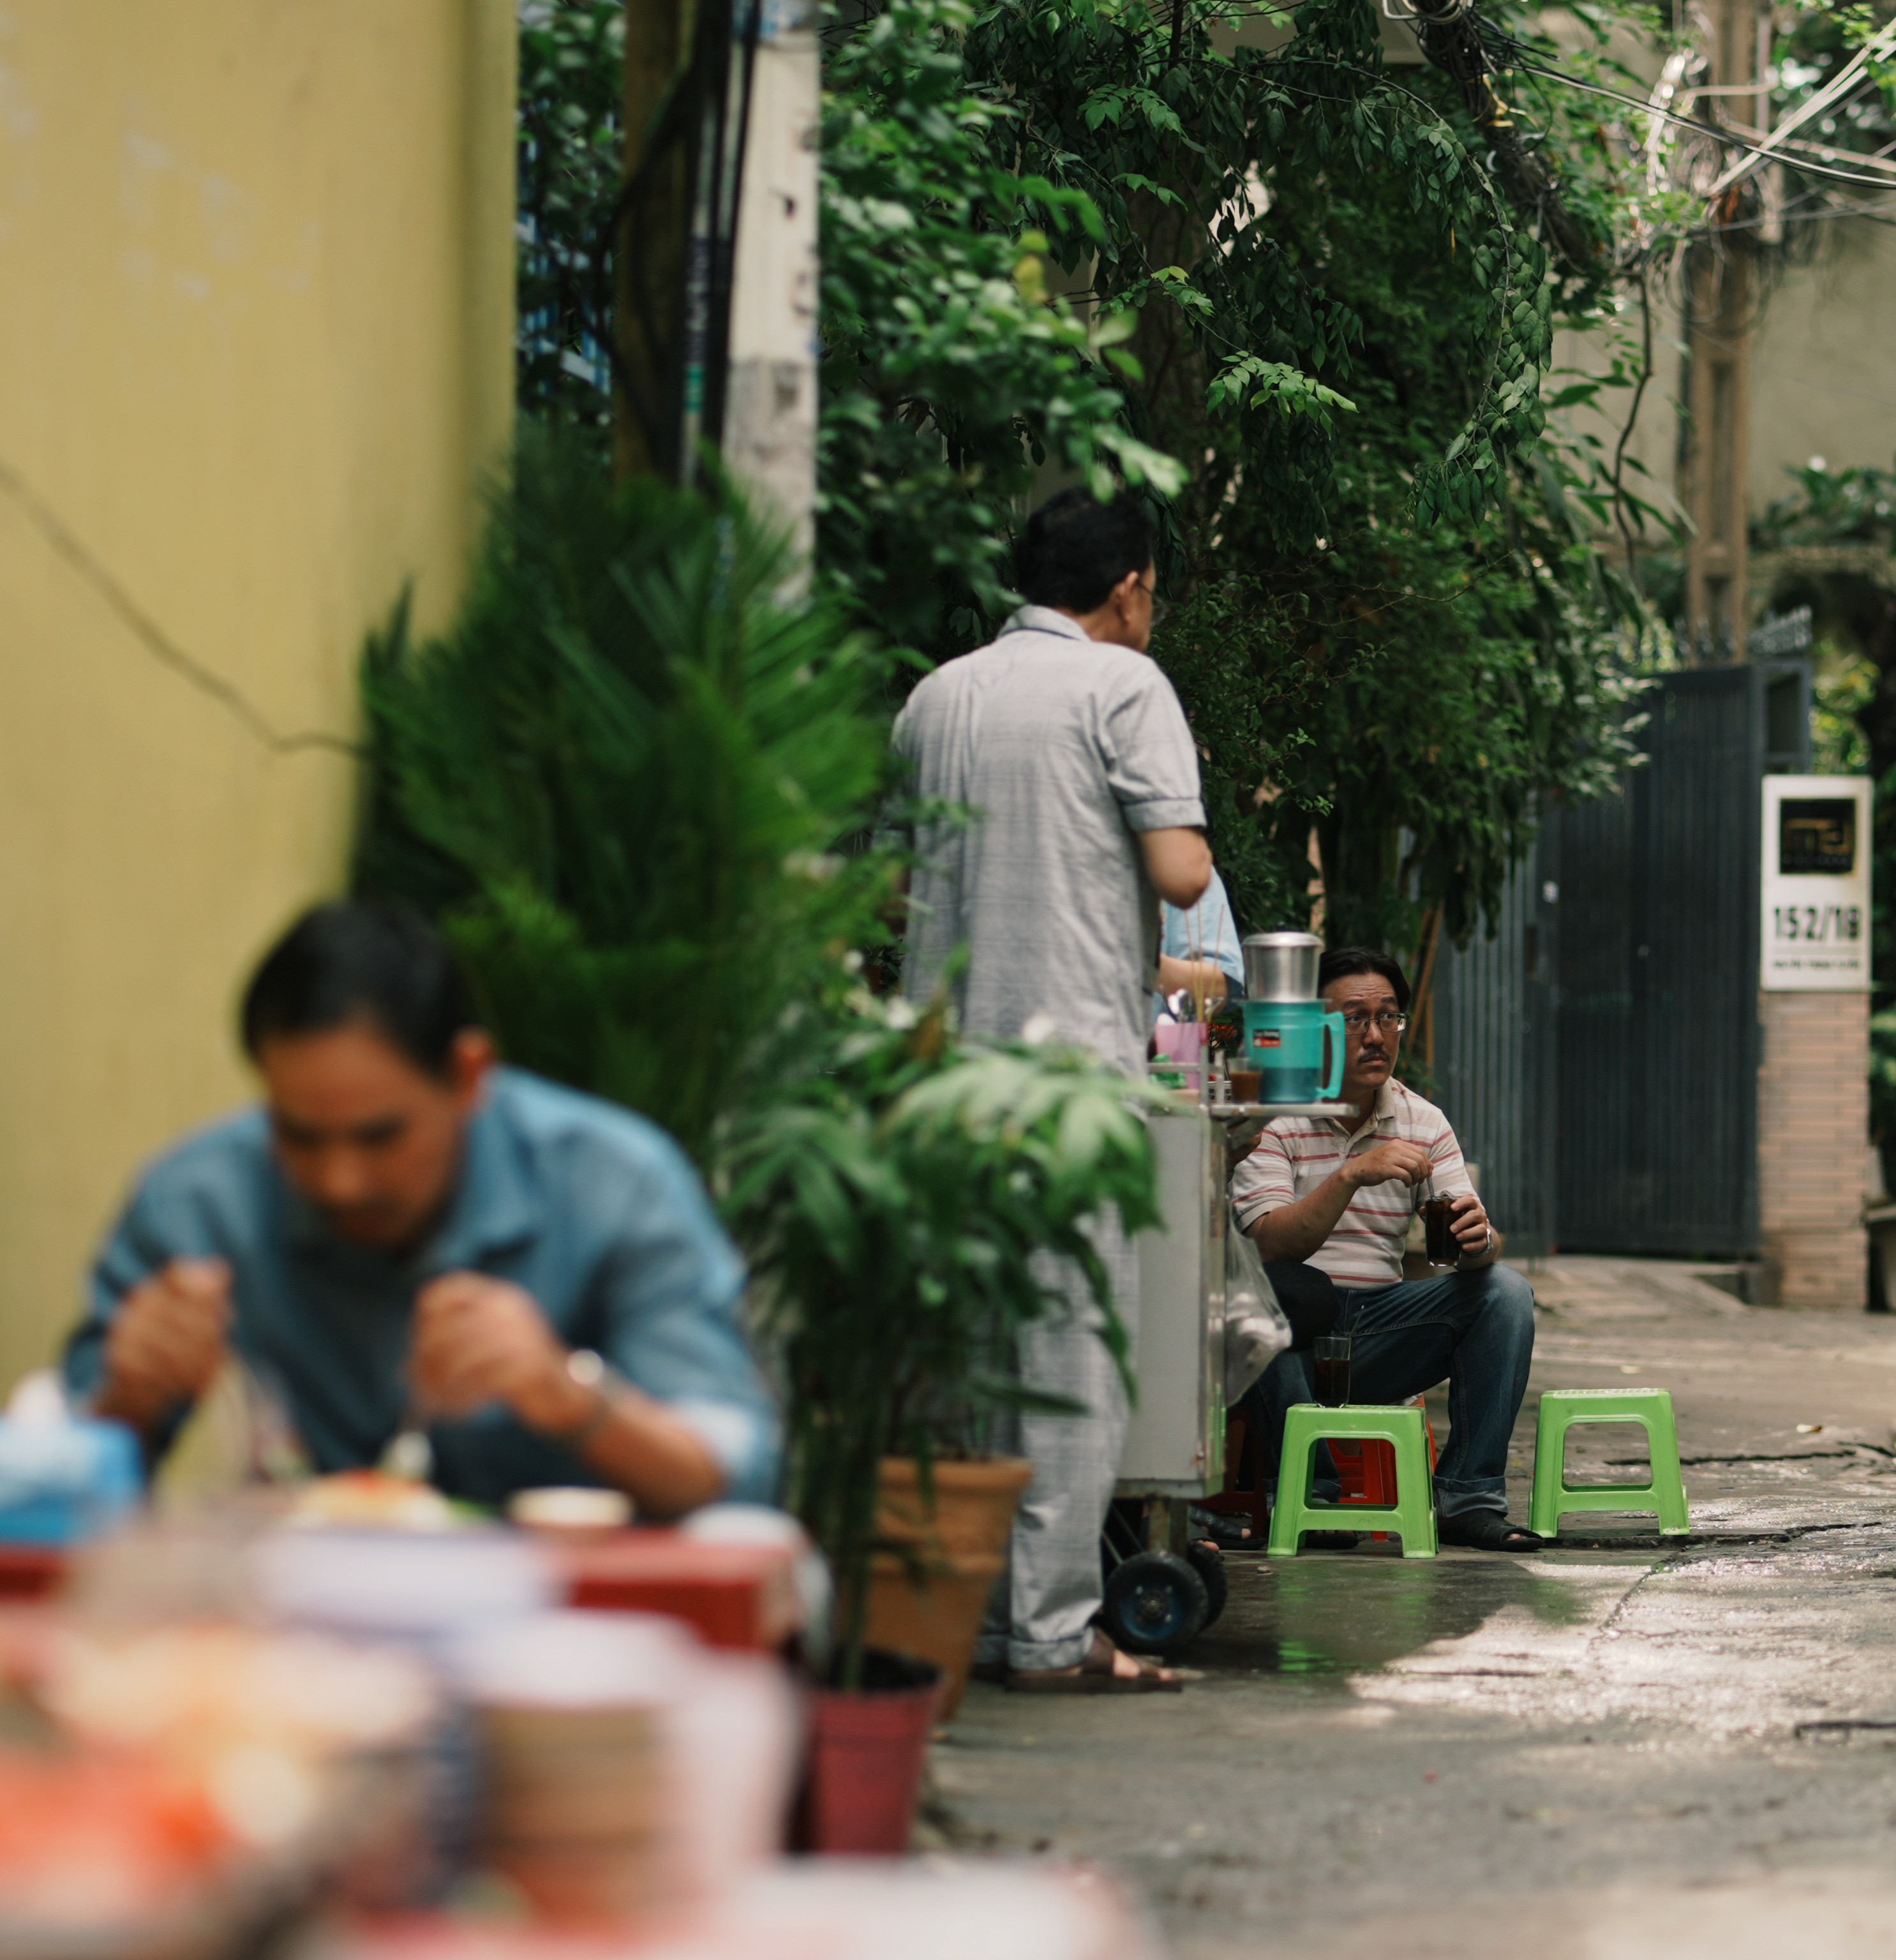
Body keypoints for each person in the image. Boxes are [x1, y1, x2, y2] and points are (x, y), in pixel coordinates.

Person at [64, 902, 775, 1518]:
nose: (341, 1182)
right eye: (299, 1136)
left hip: (574, 1612)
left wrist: (569, 1394)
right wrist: (129, 1398)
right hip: (292, 1612)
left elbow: (735, 1475)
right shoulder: (199, 1203)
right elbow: (49, 1492)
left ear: (467, 1076)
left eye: (380, 1137)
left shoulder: (613, 1181)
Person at [894, 485, 1212, 1692]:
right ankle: (1050, 1630)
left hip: (943, 1080)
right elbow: (1181, 872)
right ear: (1126, 588)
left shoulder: (935, 697)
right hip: (1070, 1081)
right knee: (1069, 1354)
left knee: (970, 1356)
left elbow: (897, 885)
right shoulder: (1123, 686)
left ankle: (974, 1621)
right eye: (1152, 592)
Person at [1228, 948, 1542, 1552]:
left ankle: (1467, 1499)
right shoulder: (1274, 1117)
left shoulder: (1423, 1121)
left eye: (1388, 1017)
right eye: (1354, 1019)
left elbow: (1476, 1241)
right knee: (1264, 1305)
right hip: (1292, 1330)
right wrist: (1351, 1175)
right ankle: (1310, 1497)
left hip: (1381, 1328)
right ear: (1317, 1028)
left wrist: (1480, 1241)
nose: (1375, 1036)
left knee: (1505, 1293)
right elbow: (1269, 1242)